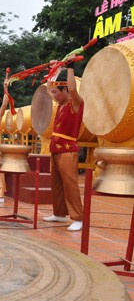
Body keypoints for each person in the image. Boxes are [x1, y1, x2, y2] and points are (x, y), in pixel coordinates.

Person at [43, 61, 84, 231]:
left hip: (68, 150)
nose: (53, 96)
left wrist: (69, 67)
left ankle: (78, 218)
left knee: (70, 184)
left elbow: (73, 88)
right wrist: (52, 70)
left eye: (55, 92)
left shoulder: (75, 103)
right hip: (56, 149)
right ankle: (59, 214)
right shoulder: (60, 106)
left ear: (65, 90)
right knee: (57, 184)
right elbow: (49, 87)